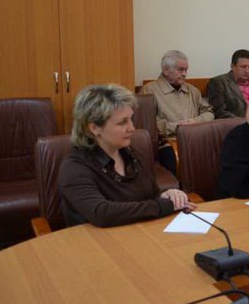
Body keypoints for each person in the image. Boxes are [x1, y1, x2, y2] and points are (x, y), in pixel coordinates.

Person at [59, 84, 196, 227]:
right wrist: (162, 206)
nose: (132, 128)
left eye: (130, 119)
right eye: (122, 122)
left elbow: (150, 194)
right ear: (94, 128)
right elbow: (102, 213)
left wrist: (166, 195)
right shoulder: (74, 167)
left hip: (136, 232)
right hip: (94, 239)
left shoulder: (130, 153)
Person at [142, 50, 214, 173]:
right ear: (166, 70)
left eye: (186, 70)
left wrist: (196, 121)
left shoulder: (193, 90)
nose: (184, 74)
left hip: (196, 139)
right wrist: (178, 127)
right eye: (180, 70)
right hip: (169, 143)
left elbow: (209, 112)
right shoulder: (149, 90)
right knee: (174, 160)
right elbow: (149, 124)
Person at [207, 49, 249, 119]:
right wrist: (243, 123)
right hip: (238, 123)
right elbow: (219, 112)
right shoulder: (219, 83)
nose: (247, 71)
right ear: (232, 66)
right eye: (243, 67)